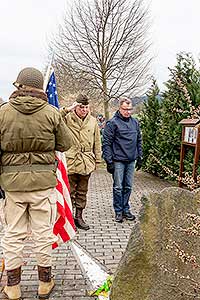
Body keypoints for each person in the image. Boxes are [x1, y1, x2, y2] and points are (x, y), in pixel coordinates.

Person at [0, 67, 72, 299]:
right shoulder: (51, 113)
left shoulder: (3, 113)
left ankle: (12, 287)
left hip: (12, 185)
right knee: (43, 233)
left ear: (19, 86)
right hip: (43, 185)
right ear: (39, 87)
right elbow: (66, 144)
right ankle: (44, 283)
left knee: (13, 235)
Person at [61, 94, 101, 231]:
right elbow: (55, 116)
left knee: (82, 192)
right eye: (81, 107)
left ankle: (79, 217)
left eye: (86, 107)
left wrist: (98, 160)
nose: (84, 110)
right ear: (76, 107)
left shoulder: (93, 121)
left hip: (86, 161)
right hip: (71, 160)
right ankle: (69, 219)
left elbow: (97, 141)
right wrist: (68, 108)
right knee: (69, 192)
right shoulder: (67, 118)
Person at [102, 97, 142, 223]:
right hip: (118, 160)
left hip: (131, 160)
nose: (128, 112)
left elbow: (139, 140)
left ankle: (126, 209)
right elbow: (106, 143)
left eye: (130, 109)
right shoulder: (112, 123)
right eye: (125, 109)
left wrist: (140, 156)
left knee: (128, 186)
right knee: (118, 187)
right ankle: (118, 211)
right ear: (120, 108)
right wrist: (109, 161)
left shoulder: (135, 122)